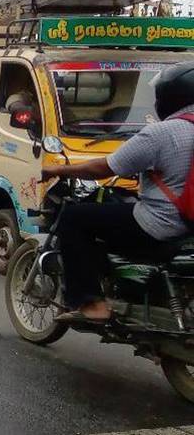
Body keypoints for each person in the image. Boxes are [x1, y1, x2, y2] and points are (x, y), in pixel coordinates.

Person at [41, 60, 194, 322]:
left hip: (162, 225)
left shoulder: (163, 133)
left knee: (75, 219)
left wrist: (60, 170)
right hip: (189, 229)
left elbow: (105, 168)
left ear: (169, 97)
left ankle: (91, 303)